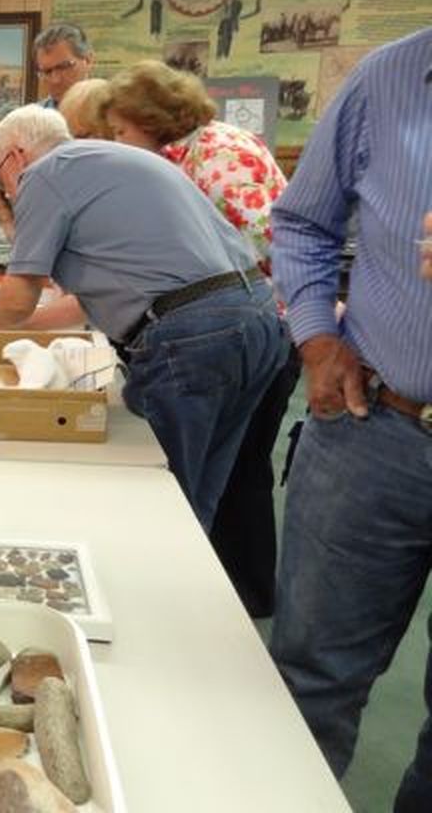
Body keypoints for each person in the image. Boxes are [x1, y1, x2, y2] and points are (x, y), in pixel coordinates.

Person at [0, 105, 288, 532]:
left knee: (158, 494)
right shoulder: (110, 163)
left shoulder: (42, 174)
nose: (9, 193)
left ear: (14, 158)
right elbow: (93, 300)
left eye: (1, 180)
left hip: (193, 336)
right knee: (197, 497)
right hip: (256, 320)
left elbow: (17, 298)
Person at [267, 26, 432, 812]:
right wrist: (317, 335)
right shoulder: (389, 78)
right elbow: (302, 223)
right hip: (377, 429)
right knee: (308, 679)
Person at [102, 60, 296, 617]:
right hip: (252, 326)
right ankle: (241, 591)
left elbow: (268, 240)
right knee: (236, 470)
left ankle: (247, 593)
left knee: (238, 470)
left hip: (252, 328)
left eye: (121, 132)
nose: (119, 143)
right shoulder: (197, 150)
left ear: (150, 118)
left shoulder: (217, 158)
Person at [0, 23, 95, 236]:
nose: (55, 79)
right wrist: (10, 225)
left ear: (89, 60)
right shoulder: (29, 120)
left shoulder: (117, 116)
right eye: (46, 71)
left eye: (65, 66)